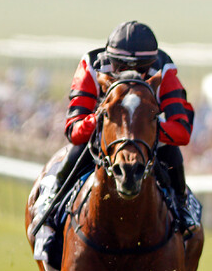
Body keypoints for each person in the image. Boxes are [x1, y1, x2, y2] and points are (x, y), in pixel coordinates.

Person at [37, 20, 197, 235]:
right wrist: (102, 119)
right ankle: (51, 204)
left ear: (151, 63)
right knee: (76, 152)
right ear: (111, 61)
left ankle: (182, 207)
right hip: (102, 138)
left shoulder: (164, 67)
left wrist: (146, 125)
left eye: (141, 70)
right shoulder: (92, 64)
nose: (131, 74)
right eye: (121, 68)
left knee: (173, 154)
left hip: (147, 138)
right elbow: (73, 130)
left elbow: (183, 131)